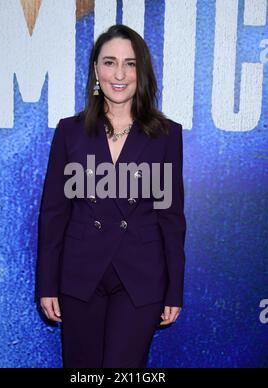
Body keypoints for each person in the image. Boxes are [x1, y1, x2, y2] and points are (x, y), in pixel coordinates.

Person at [36, 24, 186, 368]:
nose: (119, 74)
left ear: (141, 71)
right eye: (109, 62)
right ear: (95, 69)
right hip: (80, 275)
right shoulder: (69, 132)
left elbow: (171, 216)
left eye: (130, 64)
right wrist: (47, 283)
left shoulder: (165, 135)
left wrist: (174, 289)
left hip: (140, 277)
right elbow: (54, 212)